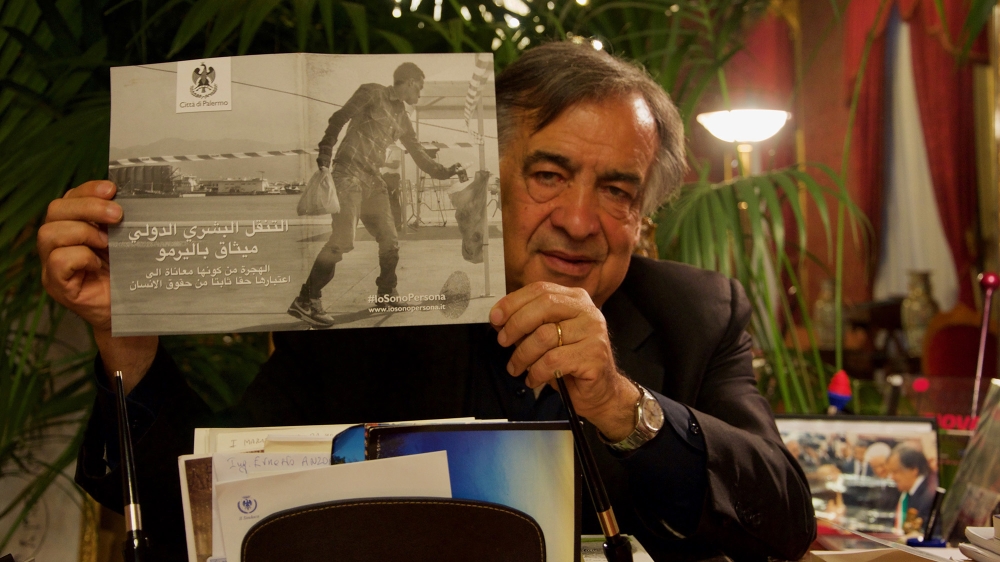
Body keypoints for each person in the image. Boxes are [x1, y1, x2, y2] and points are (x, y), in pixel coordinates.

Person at [38, 42, 815, 561]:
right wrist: (127, 350)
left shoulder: (698, 311)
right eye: (549, 175)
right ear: (493, 174)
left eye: (618, 190)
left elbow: (783, 523)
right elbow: (198, 519)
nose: (580, 221)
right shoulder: (367, 329)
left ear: (645, 216)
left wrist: (622, 405)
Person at [288, 61, 465, 326]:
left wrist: (447, 171)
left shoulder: (403, 118)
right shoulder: (372, 92)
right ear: (407, 81)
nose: (419, 94)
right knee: (343, 241)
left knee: (390, 241)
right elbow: (339, 118)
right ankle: (306, 300)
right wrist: (325, 153)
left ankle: (386, 294)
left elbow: (419, 155)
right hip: (348, 173)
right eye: (419, 87)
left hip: (373, 180)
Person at [886, 445, 938, 534]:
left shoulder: (929, 497)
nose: (892, 477)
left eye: (895, 472)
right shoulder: (904, 494)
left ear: (914, 470)